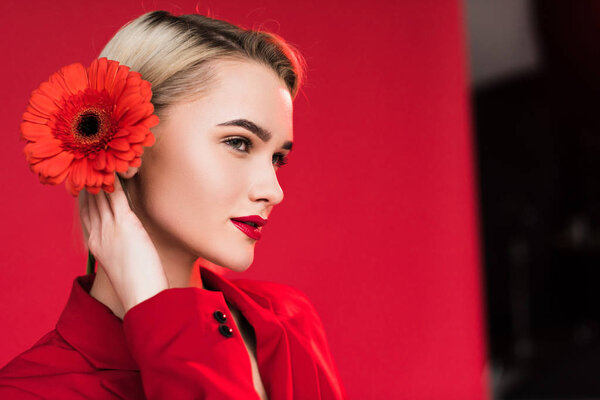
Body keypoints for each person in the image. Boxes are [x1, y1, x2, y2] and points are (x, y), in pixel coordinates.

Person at [0, 10, 347, 399]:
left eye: (277, 157)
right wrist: (157, 311)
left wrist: (154, 305)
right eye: (238, 142)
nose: (274, 190)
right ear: (126, 140)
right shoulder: (30, 390)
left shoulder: (287, 322)